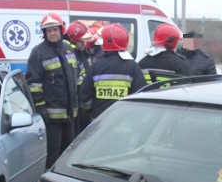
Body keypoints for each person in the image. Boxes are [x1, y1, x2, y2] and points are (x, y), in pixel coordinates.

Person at [27, 12, 80, 168]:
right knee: (52, 158)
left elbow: (74, 78)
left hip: (70, 115)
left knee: (67, 155)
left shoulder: (68, 49)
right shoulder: (38, 53)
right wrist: (41, 110)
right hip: (52, 118)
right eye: (49, 30)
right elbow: (34, 85)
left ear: (61, 29)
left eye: (55, 29)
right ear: (44, 33)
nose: (52, 33)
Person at [80, 23, 146, 123]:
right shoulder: (133, 67)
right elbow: (140, 95)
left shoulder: (95, 67)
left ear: (104, 43)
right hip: (125, 123)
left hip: (99, 123)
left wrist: (91, 110)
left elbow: (85, 97)